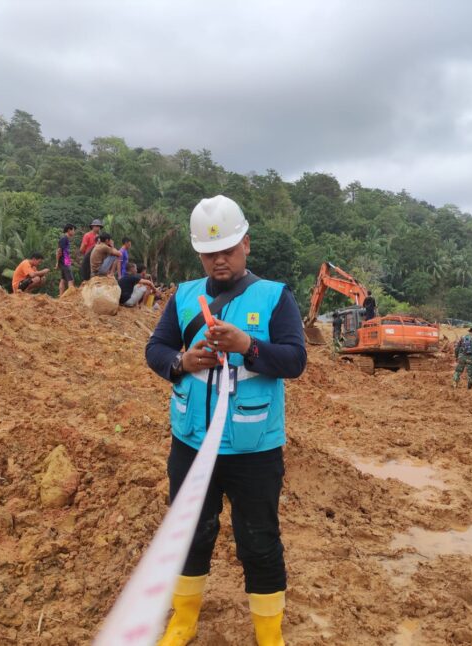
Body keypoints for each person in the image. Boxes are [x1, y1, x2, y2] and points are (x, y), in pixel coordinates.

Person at [146, 195, 306, 646]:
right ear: (199, 253)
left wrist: (247, 345)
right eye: (210, 252)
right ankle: (183, 623)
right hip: (192, 444)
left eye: (229, 249)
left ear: (246, 245)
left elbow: (295, 359)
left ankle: (268, 634)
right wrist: (181, 360)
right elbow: (155, 351)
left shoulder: (275, 297)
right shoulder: (182, 298)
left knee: (259, 541)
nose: (220, 259)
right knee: (190, 535)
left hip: (254, 451)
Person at [55, 224, 76, 296]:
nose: (74, 232)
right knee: (71, 280)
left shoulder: (65, 239)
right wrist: (57, 262)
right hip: (64, 262)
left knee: (63, 280)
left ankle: (61, 296)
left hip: (65, 261)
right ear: (69, 230)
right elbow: (59, 251)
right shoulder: (64, 239)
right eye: (73, 230)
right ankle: (70, 297)